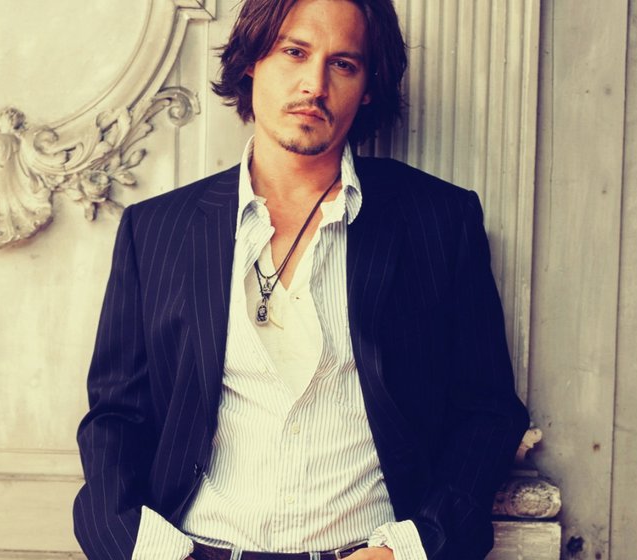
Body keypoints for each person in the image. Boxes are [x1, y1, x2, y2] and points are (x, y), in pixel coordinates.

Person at [73, 0, 529, 559]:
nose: (314, 84)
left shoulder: (437, 220)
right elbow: (116, 416)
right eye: (294, 52)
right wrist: (144, 550)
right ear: (252, 61)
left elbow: (487, 411)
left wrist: (408, 550)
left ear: (367, 87)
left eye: (343, 64)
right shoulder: (156, 229)